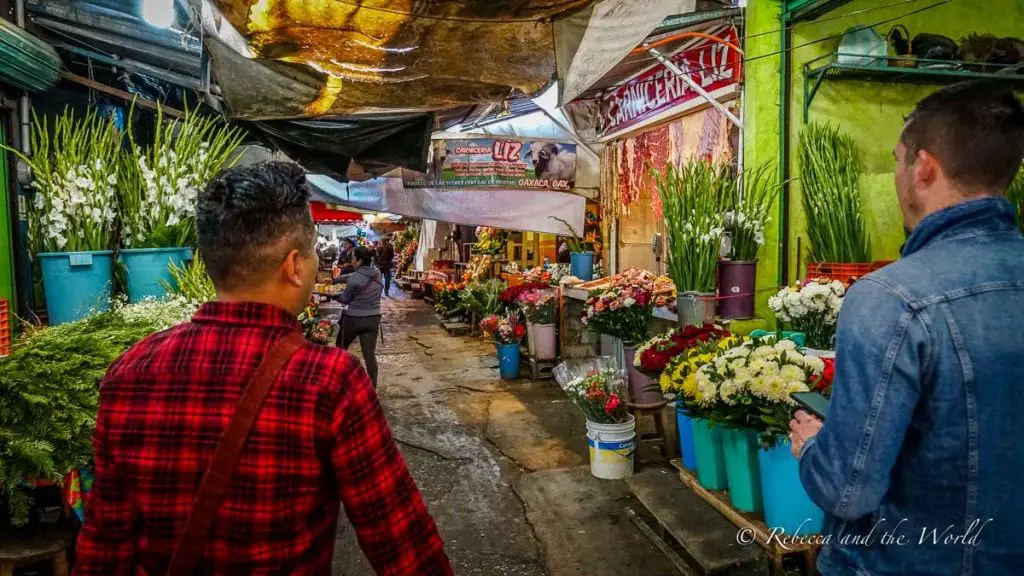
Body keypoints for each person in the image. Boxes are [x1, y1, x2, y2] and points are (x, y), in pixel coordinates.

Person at [75, 162, 451, 575]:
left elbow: (104, 544)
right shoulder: (330, 382)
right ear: (293, 266)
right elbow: (403, 545)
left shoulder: (129, 372)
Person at [790, 83, 1024, 575]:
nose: (896, 175)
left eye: (898, 161)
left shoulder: (891, 299)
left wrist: (812, 445)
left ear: (924, 168)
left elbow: (847, 490)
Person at [337, 246, 384, 387]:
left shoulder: (354, 280)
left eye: (352, 258)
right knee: (369, 355)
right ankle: (373, 388)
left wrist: (334, 295)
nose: (350, 261)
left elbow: (344, 299)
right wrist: (337, 279)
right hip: (373, 319)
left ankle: (338, 382)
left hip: (353, 319)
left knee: (340, 349)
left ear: (358, 260)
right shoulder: (377, 273)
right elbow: (356, 277)